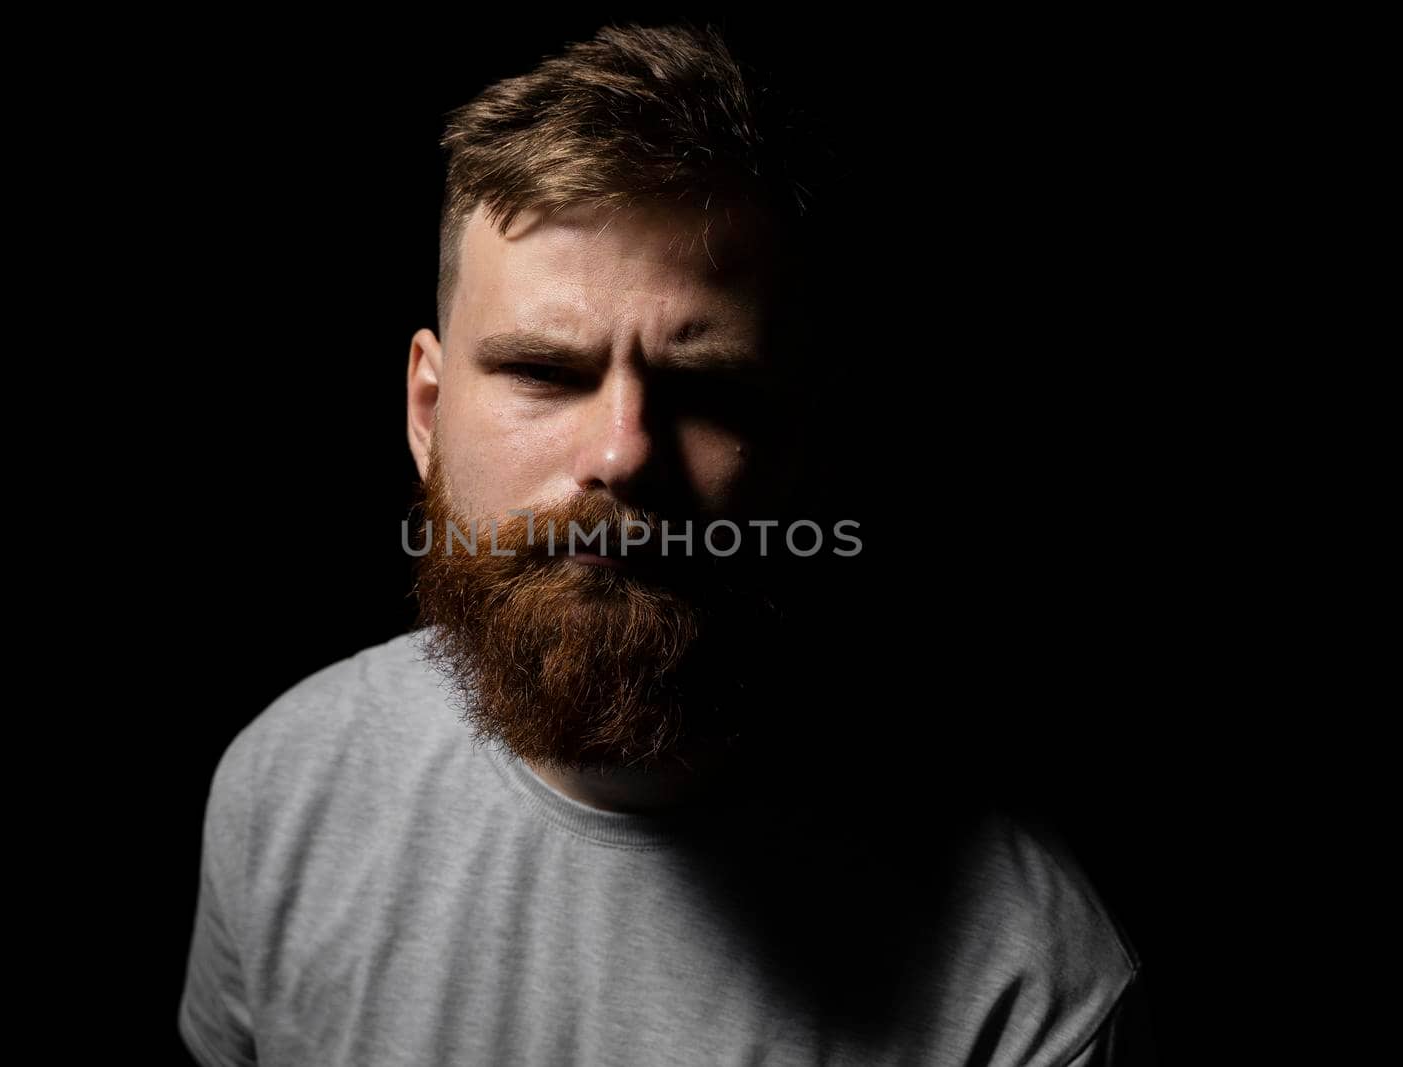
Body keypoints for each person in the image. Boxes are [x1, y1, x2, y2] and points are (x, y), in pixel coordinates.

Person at [179, 22, 1153, 1065]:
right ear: (426, 411)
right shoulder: (283, 788)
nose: (622, 453)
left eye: (709, 387)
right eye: (545, 372)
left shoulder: (1025, 976)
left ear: (812, 437)